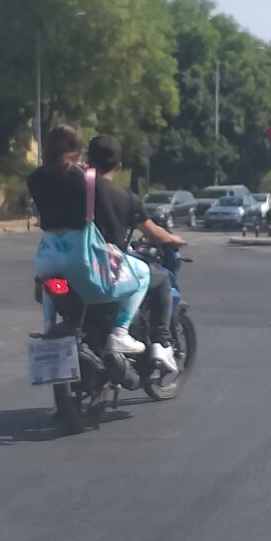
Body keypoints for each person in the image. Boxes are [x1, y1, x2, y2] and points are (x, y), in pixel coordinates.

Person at [27, 124, 150, 356]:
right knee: (142, 273)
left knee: (52, 286)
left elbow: (56, 183)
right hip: (79, 259)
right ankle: (121, 334)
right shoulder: (86, 179)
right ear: (76, 150)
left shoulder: (33, 179)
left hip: (48, 258)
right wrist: (85, 173)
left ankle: (49, 326)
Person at [86, 134, 185, 373]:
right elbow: (154, 233)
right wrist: (174, 239)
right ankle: (161, 344)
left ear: (88, 161)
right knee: (161, 280)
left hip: (73, 265)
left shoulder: (76, 190)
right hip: (108, 269)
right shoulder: (127, 199)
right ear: (119, 167)